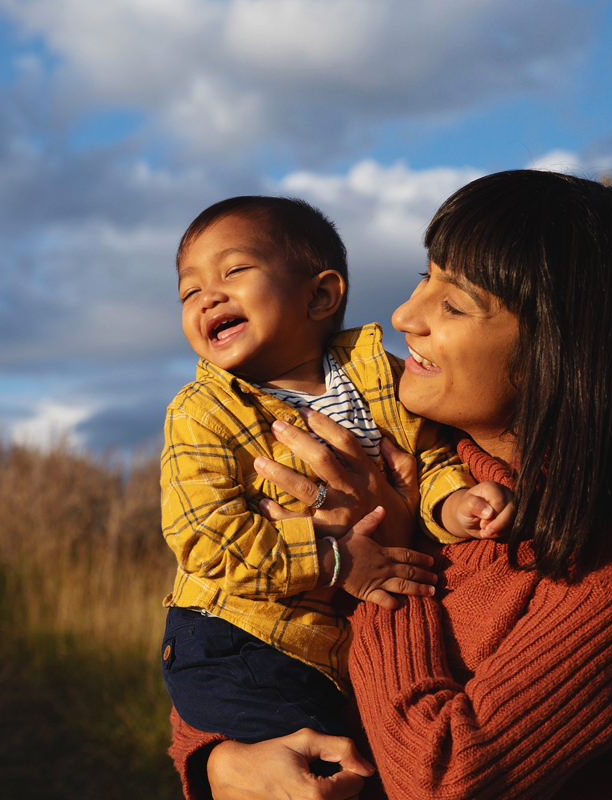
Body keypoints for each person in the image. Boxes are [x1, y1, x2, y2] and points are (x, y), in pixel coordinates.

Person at [167, 171, 612, 800]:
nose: (406, 317)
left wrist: (383, 553)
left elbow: (443, 778)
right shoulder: (408, 458)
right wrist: (222, 762)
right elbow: (252, 646)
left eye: (454, 303)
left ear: (557, 349)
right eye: (422, 278)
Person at [161, 196, 515, 747]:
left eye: (234, 271)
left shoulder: (376, 375)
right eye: (188, 291)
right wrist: (336, 559)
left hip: (324, 647)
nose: (208, 296)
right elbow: (206, 538)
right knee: (312, 769)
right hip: (234, 633)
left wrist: (453, 504)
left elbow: (424, 460)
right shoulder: (203, 412)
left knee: (345, 763)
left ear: (321, 295)